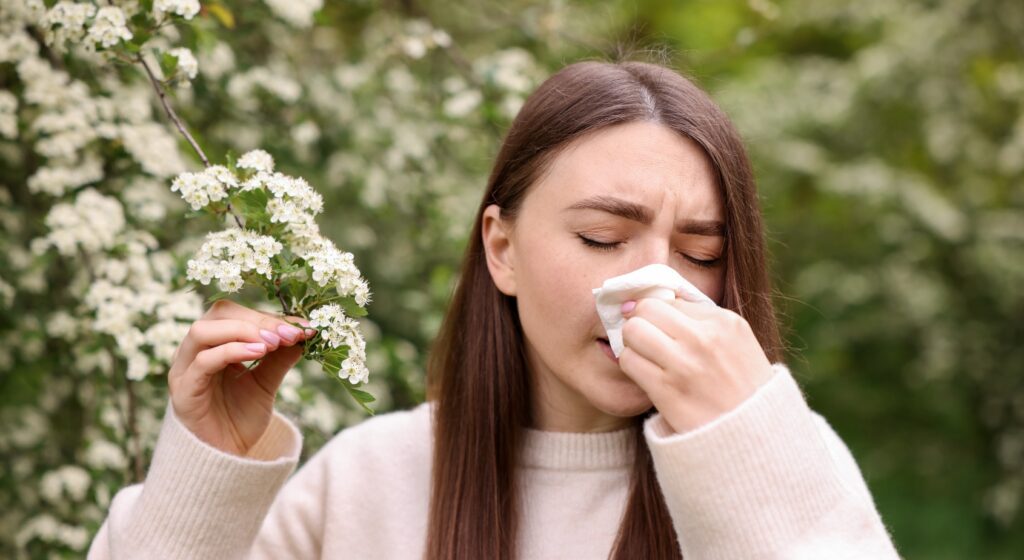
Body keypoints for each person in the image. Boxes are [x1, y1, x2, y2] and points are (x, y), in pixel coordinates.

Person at [87, 60, 902, 559]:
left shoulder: (788, 463)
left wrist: (745, 446)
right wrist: (204, 477)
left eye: (701, 255)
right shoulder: (370, 482)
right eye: (601, 236)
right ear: (501, 248)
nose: (657, 286)